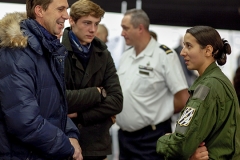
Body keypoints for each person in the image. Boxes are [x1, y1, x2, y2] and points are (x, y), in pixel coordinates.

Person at [0, 0, 83, 159]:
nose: (66, 16)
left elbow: (55, 107)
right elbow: (24, 121)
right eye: (60, 9)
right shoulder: (18, 53)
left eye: (66, 9)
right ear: (39, 11)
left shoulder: (45, 48)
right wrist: (67, 146)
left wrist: (71, 134)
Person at [116, 8, 190, 160]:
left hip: (151, 139)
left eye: (126, 28)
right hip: (124, 139)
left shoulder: (164, 56)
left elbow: (183, 99)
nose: (122, 33)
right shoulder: (126, 56)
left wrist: (159, 111)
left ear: (140, 28)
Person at [157, 25, 240, 159]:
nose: (182, 52)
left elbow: (182, 144)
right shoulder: (217, 81)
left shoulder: (207, 87)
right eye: (184, 46)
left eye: (189, 46)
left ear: (208, 50)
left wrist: (163, 141)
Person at [61, 0, 123, 160]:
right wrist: (98, 93)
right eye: (87, 23)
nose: (93, 29)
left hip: (97, 145)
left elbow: (116, 101)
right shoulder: (57, 50)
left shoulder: (103, 53)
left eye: (96, 24)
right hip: (63, 142)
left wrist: (80, 114)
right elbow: (60, 99)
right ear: (72, 20)